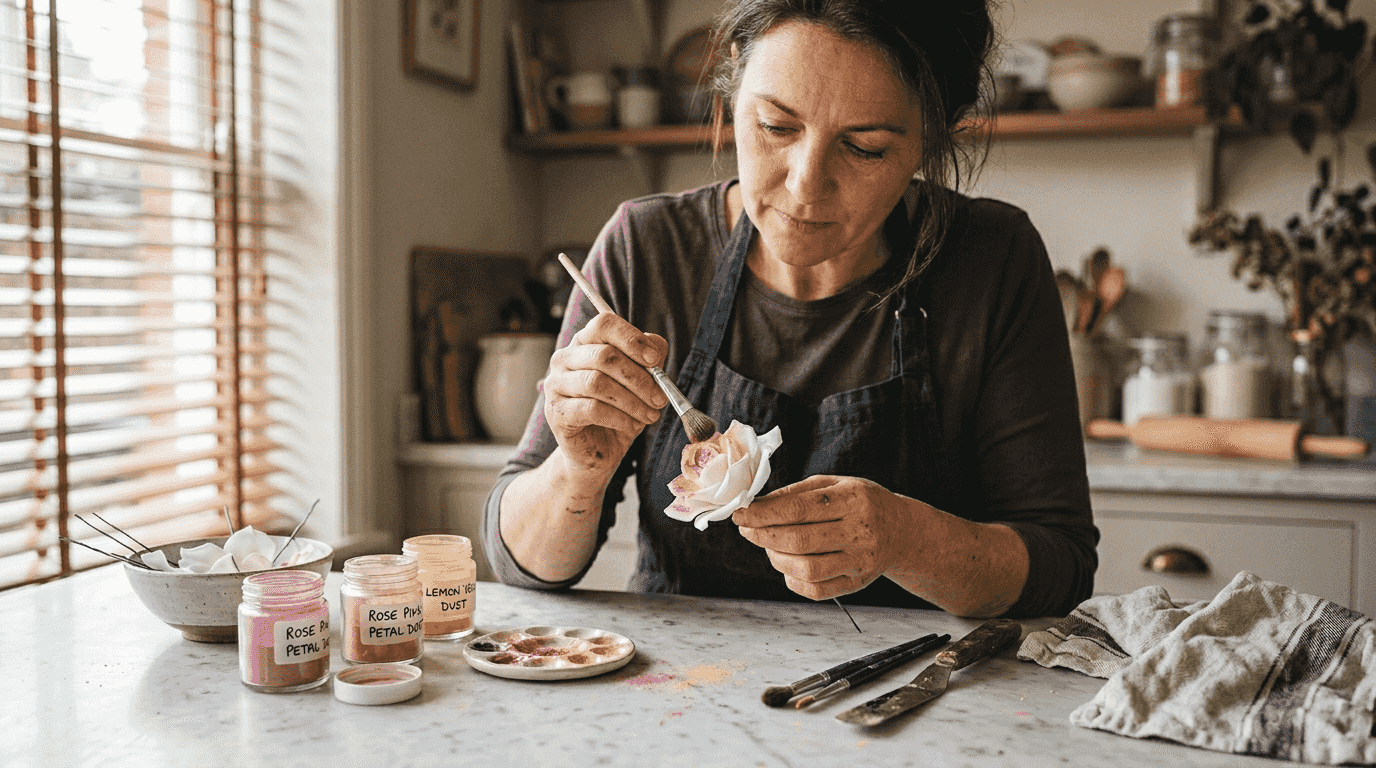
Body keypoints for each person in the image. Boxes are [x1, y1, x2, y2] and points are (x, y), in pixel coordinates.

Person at [482, 0, 1097, 619]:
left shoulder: (992, 260)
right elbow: (521, 563)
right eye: (776, 127)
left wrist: (909, 541)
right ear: (731, 82)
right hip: (678, 696)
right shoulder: (647, 249)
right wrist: (574, 472)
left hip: (914, 694)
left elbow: (1061, 567)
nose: (805, 184)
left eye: (864, 147)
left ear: (936, 138)